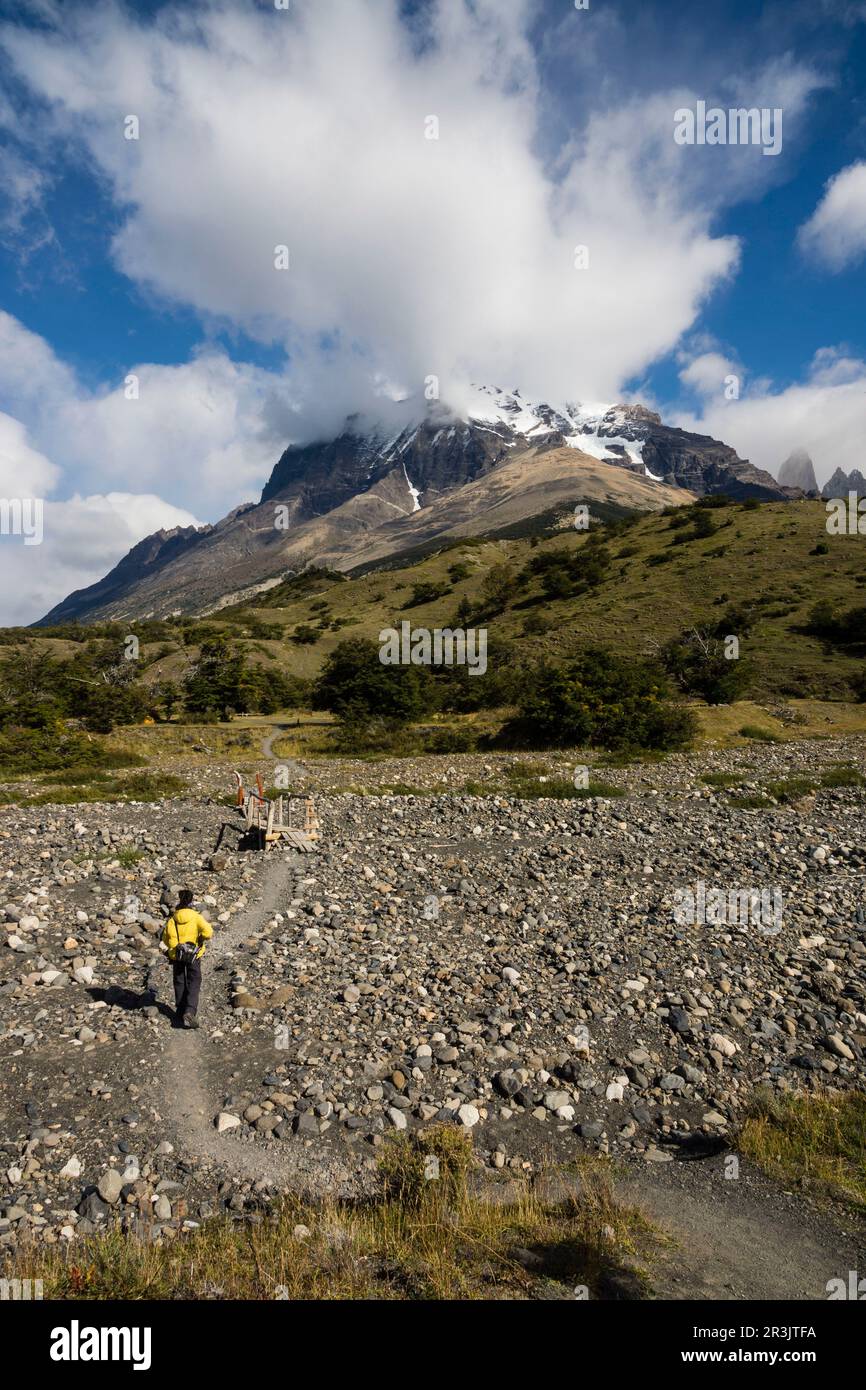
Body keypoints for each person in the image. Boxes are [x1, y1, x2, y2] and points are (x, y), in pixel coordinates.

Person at [161, 889, 213, 1028]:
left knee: (179, 981)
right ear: (191, 901)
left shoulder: (173, 919)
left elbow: (165, 939)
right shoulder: (196, 917)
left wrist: (176, 946)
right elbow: (208, 932)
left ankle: (179, 1011)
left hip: (177, 955)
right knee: (194, 981)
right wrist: (199, 940)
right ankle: (190, 1011)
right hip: (193, 955)